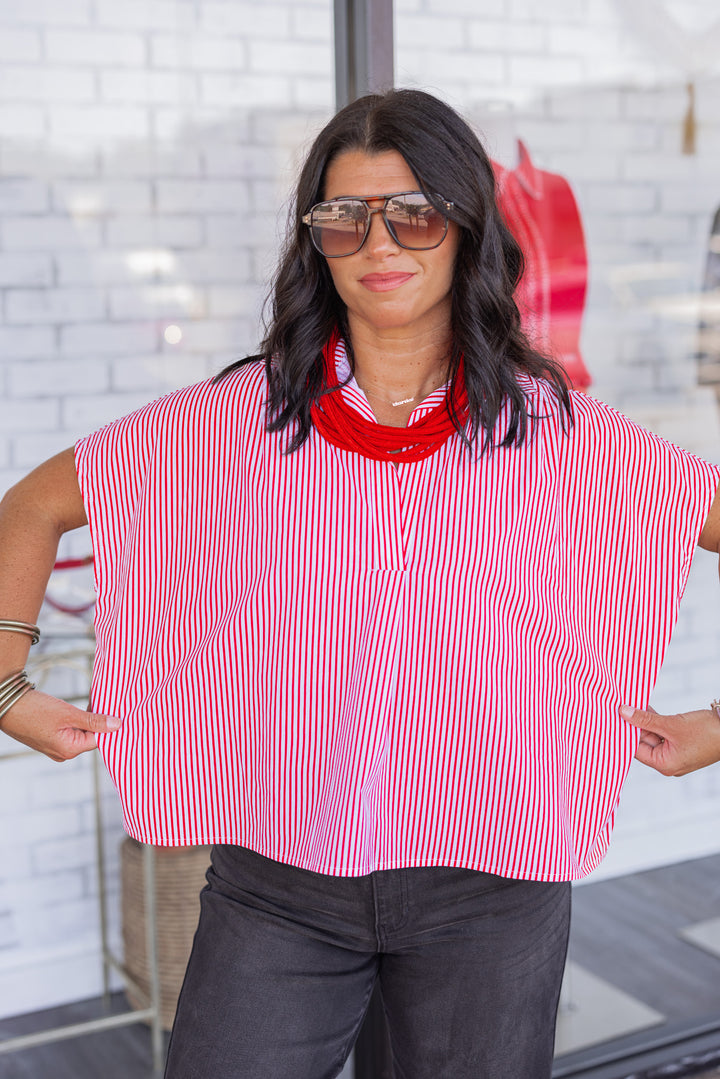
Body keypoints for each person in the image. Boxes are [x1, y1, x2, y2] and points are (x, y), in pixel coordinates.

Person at [1, 89, 719, 1079]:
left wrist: (717, 723)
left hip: (492, 883)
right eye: (345, 217)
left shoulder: (559, 435)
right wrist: (6, 686)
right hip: (277, 880)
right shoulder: (231, 423)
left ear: (467, 225)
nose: (380, 242)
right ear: (317, 242)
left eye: (413, 212)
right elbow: (29, 505)